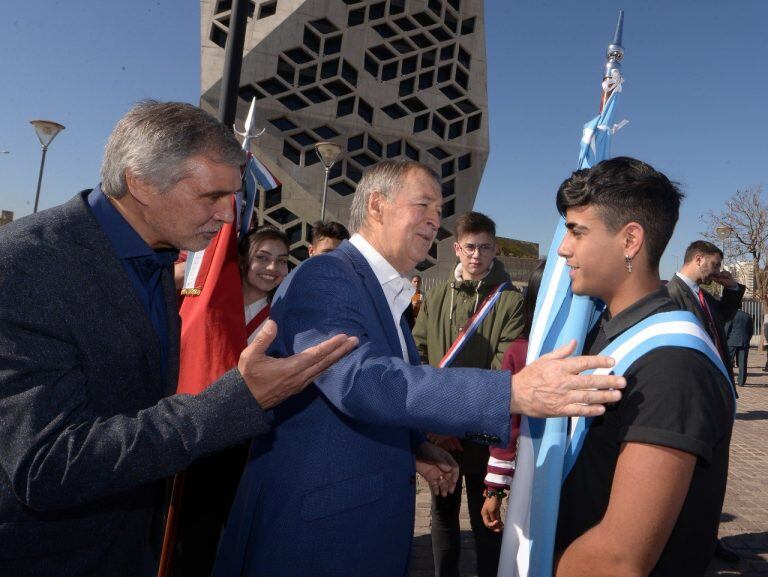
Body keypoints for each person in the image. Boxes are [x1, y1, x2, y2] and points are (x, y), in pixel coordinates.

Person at [213, 160, 625, 577]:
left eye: (440, 211)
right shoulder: (327, 275)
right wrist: (512, 393)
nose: (435, 221)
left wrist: (415, 448)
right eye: (424, 205)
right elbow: (361, 381)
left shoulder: (381, 288)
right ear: (376, 206)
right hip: (315, 538)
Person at [0, 100, 357, 577]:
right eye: (212, 196)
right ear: (141, 183)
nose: (230, 215)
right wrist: (237, 399)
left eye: (232, 195)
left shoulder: (156, 261)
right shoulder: (27, 266)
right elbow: (49, 464)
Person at [552, 157, 735, 576]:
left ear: (630, 239)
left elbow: (619, 560)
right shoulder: (612, 330)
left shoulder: (673, 364)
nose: (564, 247)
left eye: (577, 231)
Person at [412, 211, 524, 577]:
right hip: (439, 431)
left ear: (495, 251)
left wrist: (454, 425)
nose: (477, 255)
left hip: (482, 430)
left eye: (486, 248)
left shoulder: (510, 301)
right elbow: (420, 356)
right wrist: (435, 424)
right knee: (442, 517)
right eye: (471, 247)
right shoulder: (436, 294)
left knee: (484, 518)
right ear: (457, 248)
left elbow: (500, 371)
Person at [667, 240, 745, 564]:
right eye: (713, 266)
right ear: (698, 260)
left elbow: (724, 316)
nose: (716, 272)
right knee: (690, 481)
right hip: (693, 400)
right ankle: (684, 542)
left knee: (713, 480)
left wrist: (733, 287)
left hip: (717, 400)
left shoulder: (702, 296)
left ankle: (707, 538)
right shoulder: (672, 295)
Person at [481, 260, 546, 534]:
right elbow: (507, 422)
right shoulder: (520, 352)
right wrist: (495, 490)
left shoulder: (599, 347)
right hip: (532, 476)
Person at [239, 225, 290, 342]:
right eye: (262, 257)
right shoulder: (215, 304)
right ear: (242, 260)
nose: (272, 267)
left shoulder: (285, 315)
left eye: (282, 261)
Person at [725, 309, 753, 386]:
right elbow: (751, 331)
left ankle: (729, 379)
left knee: (729, 361)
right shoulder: (747, 316)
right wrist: (747, 339)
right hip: (744, 342)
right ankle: (741, 381)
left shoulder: (731, 315)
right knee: (743, 362)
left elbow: (727, 330)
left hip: (732, 342)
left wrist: (725, 340)